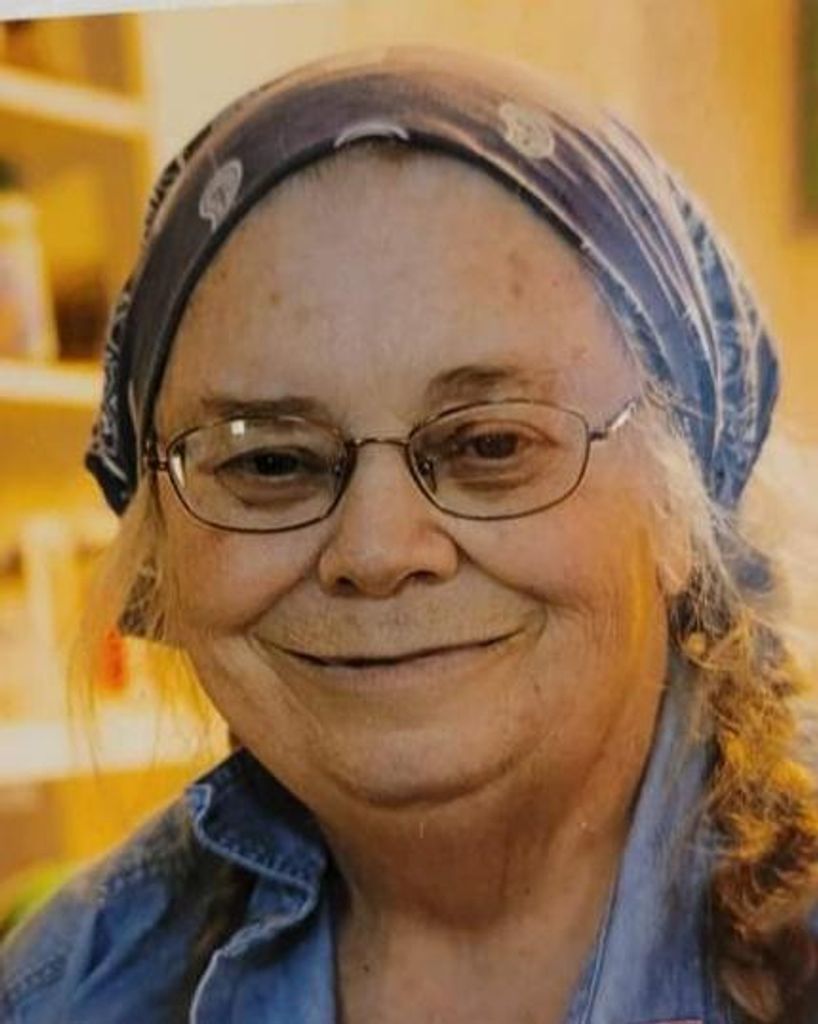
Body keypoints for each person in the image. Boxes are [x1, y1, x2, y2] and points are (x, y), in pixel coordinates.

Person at [2, 44, 817, 1024]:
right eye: (271, 461)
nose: (378, 551)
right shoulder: (62, 991)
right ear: (160, 546)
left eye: (489, 443)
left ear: (681, 508)